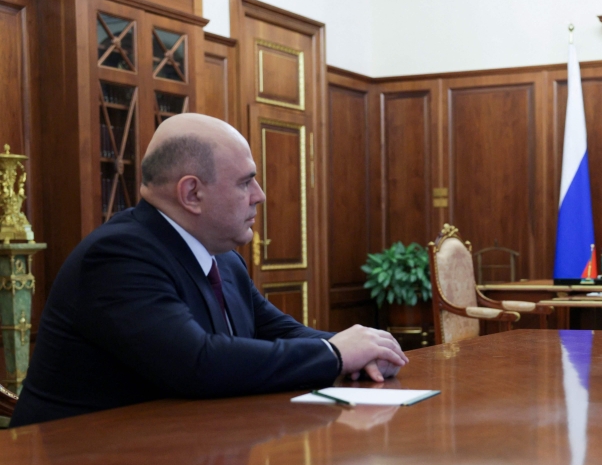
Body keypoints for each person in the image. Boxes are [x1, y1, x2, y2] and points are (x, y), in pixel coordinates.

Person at [10, 114, 407, 427]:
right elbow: (197, 363)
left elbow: (278, 331)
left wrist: (362, 348)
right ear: (192, 193)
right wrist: (334, 353)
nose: (260, 196)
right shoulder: (119, 256)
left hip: (179, 458)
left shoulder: (223, 258)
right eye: (246, 182)